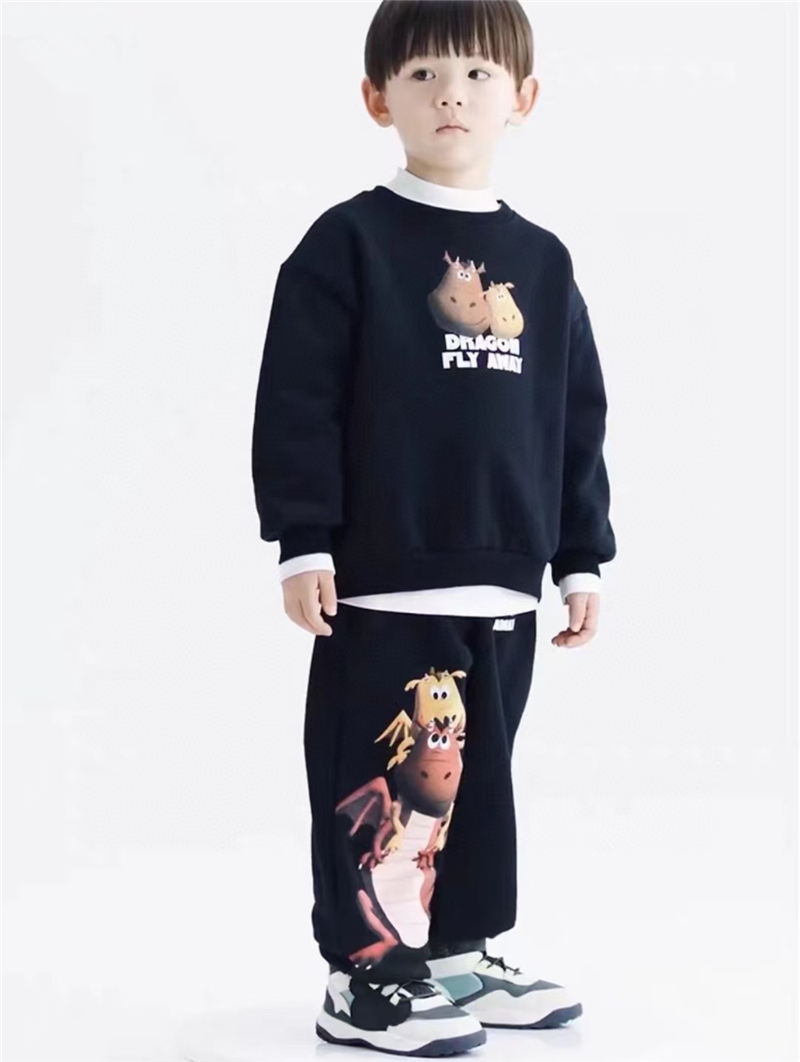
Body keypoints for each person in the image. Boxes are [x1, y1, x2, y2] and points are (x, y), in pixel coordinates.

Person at [251, 1, 616, 1054]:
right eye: (421, 75)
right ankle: (364, 972)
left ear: (522, 97)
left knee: (478, 785)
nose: (451, 94)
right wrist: (304, 538)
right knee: (378, 785)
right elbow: (299, 399)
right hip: (381, 579)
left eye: (476, 73)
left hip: (504, 581)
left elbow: (573, 421)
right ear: (378, 99)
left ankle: (458, 952)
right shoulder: (348, 244)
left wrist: (580, 556)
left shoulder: (542, 263)